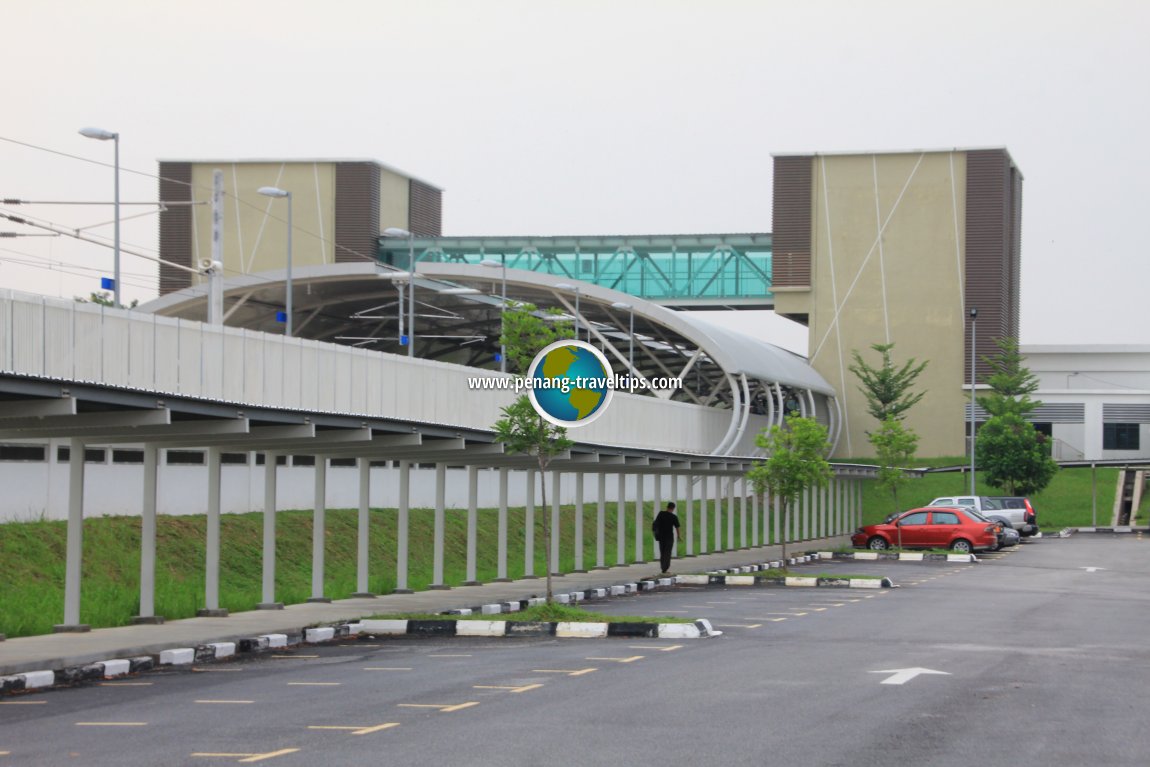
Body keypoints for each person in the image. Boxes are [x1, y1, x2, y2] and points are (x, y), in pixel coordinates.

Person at [651, 501, 680, 575]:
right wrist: (678, 536)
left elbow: (655, 523)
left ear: (667, 507)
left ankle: (663, 567)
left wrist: (655, 532)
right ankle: (665, 568)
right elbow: (677, 527)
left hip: (661, 537)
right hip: (669, 537)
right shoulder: (673, 517)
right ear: (673, 508)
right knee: (667, 553)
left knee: (662, 552)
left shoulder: (661, 514)